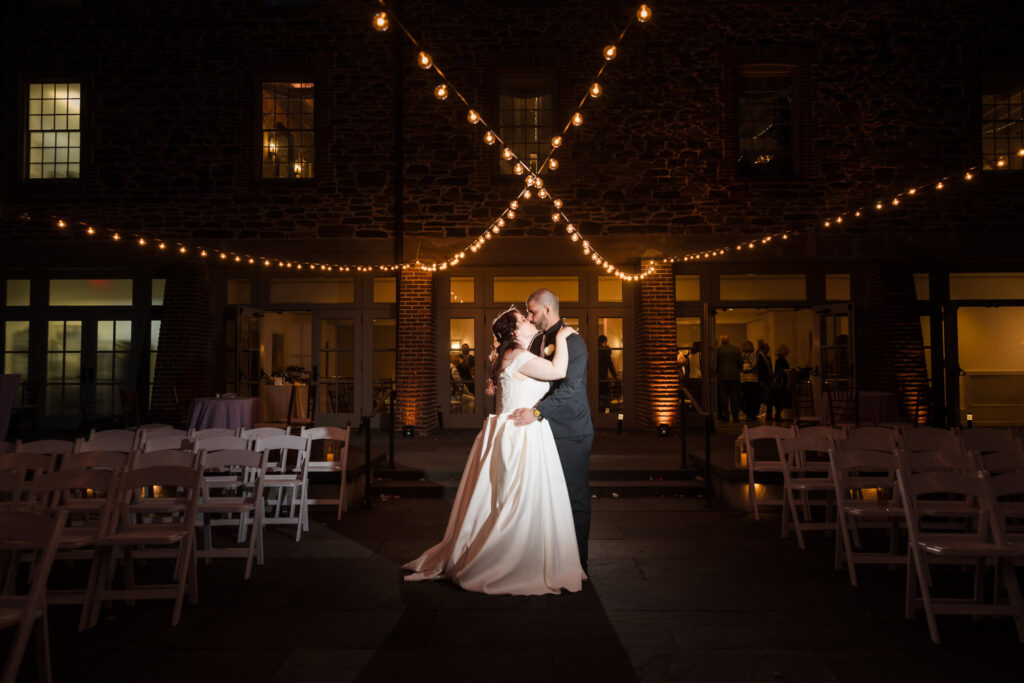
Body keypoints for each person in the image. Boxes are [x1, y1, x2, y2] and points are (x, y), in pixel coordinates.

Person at [403, 306, 585, 595]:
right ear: (514, 332)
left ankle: (527, 555)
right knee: (514, 501)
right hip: (519, 436)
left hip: (520, 431)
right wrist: (563, 336)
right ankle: (508, 560)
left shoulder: (514, 356)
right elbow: (559, 371)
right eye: (523, 319)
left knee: (518, 501)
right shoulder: (518, 356)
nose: (529, 321)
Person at [511, 288, 594, 573]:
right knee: (546, 497)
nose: (529, 317)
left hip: (571, 430)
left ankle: (579, 564)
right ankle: (553, 559)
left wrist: (537, 412)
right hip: (543, 431)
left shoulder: (573, 340)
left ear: (547, 309)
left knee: (574, 498)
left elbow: (571, 388)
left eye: (532, 311)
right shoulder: (538, 342)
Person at [715, 334, 743, 423]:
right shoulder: (736, 349)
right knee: (735, 397)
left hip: (722, 376)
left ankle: (726, 416)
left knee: (724, 398)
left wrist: (716, 373)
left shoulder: (718, 350)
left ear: (721, 341)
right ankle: (735, 417)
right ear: (729, 340)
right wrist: (738, 371)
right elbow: (740, 362)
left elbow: (715, 363)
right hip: (734, 376)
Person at [770, 344, 792, 422]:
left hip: (779, 382)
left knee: (779, 399)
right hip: (781, 382)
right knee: (781, 399)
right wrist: (787, 370)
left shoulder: (778, 360)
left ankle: (777, 414)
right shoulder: (781, 360)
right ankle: (778, 415)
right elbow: (780, 370)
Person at [739, 340, 760, 421]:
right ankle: (750, 414)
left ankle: (751, 414)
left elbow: (753, 365)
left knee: (749, 398)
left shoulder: (751, 355)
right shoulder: (747, 356)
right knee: (749, 398)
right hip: (749, 380)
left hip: (749, 379)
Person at [597, 334, 617, 413]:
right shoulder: (604, 352)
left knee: (599, 397)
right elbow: (610, 365)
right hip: (603, 378)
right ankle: (606, 413)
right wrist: (615, 376)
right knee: (605, 398)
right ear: (604, 342)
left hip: (596, 378)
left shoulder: (595, 351)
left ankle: (600, 412)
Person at [756, 341, 773, 420]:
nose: (768, 351)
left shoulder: (768, 358)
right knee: (764, 397)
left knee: (769, 397)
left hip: (768, 379)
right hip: (763, 380)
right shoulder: (759, 357)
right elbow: (759, 370)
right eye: (767, 349)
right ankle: (758, 412)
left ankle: (769, 415)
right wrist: (761, 380)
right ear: (763, 349)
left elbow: (769, 368)